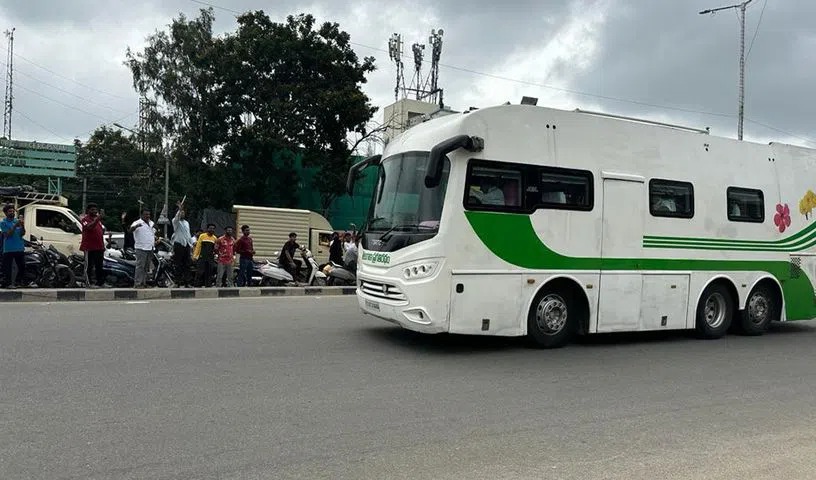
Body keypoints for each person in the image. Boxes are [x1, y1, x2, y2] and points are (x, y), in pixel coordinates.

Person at [80, 203, 106, 288]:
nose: (94, 211)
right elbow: (89, 227)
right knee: (89, 266)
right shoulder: (85, 219)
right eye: (92, 210)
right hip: (89, 247)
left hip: (99, 247)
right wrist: (98, 219)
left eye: (95, 210)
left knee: (99, 266)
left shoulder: (98, 221)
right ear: (88, 211)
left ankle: (100, 282)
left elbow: (101, 231)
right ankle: (88, 283)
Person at [170, 199, 194, 287]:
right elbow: (176, 218)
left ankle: (187, 282)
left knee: (187, 265)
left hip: (186, 245)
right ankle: (177, 282)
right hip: (179, 245)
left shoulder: (186, 223)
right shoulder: (175, 222)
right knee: (178, 264)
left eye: (183, 212)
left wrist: (191, 244)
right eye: (181, 213)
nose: (182, 214)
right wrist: (179, 209)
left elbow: (188, 234)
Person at [1, 204, 25, 288]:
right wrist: (15, 226)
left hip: (19, 248)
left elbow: (22, 234)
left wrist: (22, 225)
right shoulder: (3, 222)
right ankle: (8, 284)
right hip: (9, 249)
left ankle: (18, 282)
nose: (12, 213)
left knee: (22, 266)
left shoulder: (16, 221)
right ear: (5, 213)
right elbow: (7, 235)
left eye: (12, 211)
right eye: (9, 211)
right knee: (7, 269)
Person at [129, 209, 155, 288]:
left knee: (146, 267)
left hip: (150, 247)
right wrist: (136, 227)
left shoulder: (151, 223)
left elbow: (153, 233)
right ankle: (137, 284)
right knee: (140, 266)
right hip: (141, 248)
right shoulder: (136, 222)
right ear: (141, 215)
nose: (148, 216)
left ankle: (143, 283)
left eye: (149, 214)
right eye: (146, 214)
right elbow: (130, 230)